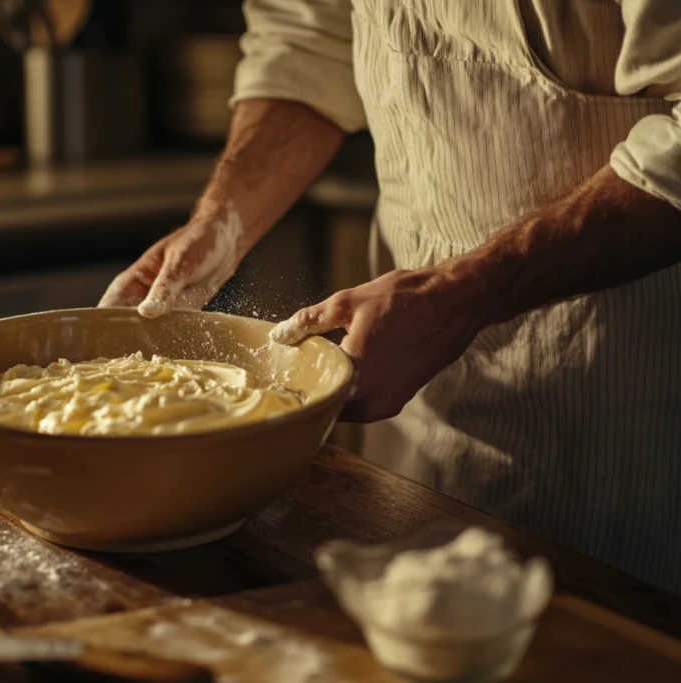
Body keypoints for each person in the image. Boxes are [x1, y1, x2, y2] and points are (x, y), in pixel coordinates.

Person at [99, 1, 681, 594]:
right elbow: (307, 41)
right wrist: (219, 223)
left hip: (622, 406)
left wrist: (461, 294)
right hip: (414, 405)